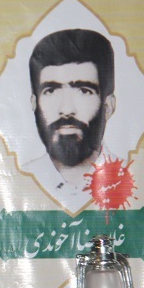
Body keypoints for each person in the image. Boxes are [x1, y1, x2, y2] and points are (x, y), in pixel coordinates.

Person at [21, 29, 117, 207]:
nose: (66, 110)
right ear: (34, 104)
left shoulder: (140, 181)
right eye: (51, 91)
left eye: (84, 91)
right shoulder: (17, 182)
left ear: (108, 106)